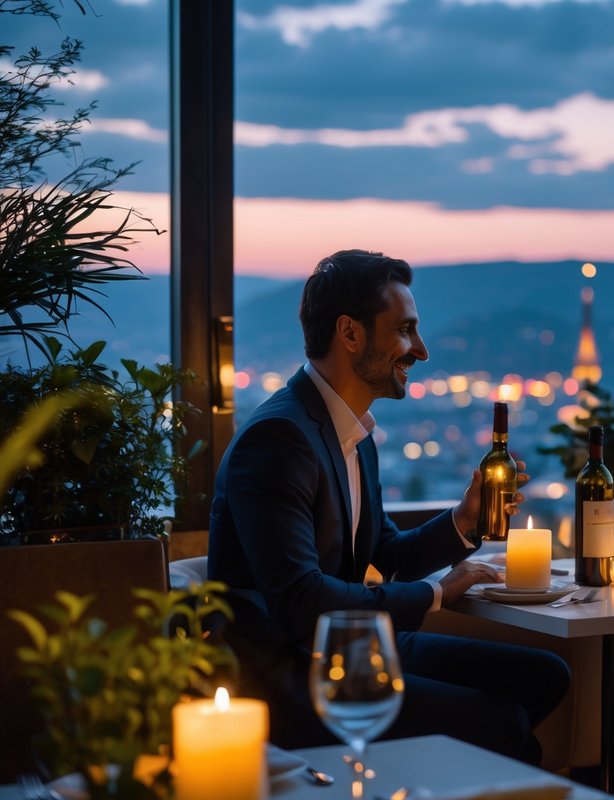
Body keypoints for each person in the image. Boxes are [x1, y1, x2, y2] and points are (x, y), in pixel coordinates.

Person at [208, 249, 570, 763]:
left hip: (341, 651)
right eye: (405, 330)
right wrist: (434, 593)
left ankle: (434, 795)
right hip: (284, 674)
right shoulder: (279, 439)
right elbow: (301, 602)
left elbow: (382, 553)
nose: (420, 350)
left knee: (544, 677)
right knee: (500, 722)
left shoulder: (354, 433)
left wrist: (462, 522)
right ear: (350, 333)